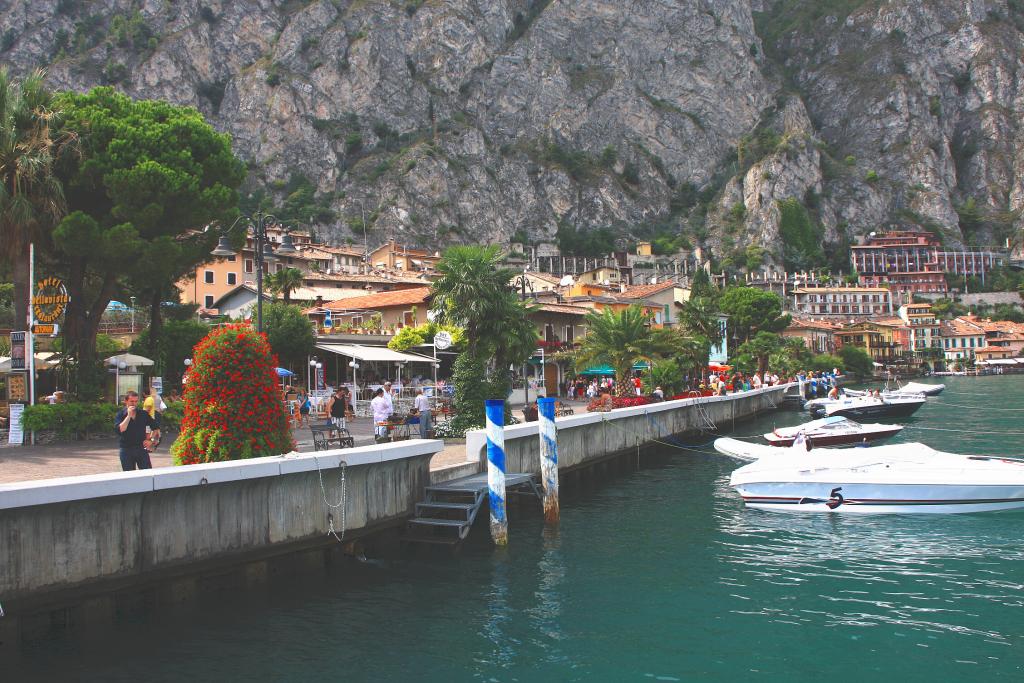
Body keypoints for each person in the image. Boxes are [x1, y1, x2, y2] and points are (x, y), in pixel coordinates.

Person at [115, 391, 160, 471]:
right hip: (126, 449)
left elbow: (156, 428)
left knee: (148, 474)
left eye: (136, 401)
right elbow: (121, 429)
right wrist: (128, 416)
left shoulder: (143, 414)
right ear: (126, 401)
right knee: (129, 476)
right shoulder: (120, 414)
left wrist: (151, 440)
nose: (134, 404)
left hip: (141, 448)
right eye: (131, 401)